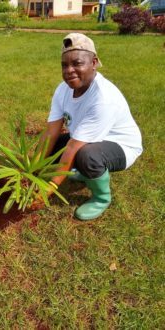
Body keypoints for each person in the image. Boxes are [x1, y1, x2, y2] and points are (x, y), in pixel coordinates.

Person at [35, 33, 143, 221]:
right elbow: (51, 131)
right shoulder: (63, 89)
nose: (69, 70)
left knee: (87, 156)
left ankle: (102, 198)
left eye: (77, 63)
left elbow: (74, 147)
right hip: (85, 138)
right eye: (64, 65)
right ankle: (84, 173)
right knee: (55, 149)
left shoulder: (103, 98)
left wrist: (50, 187)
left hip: (120, 145)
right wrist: (32, 169)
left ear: (93, 62)